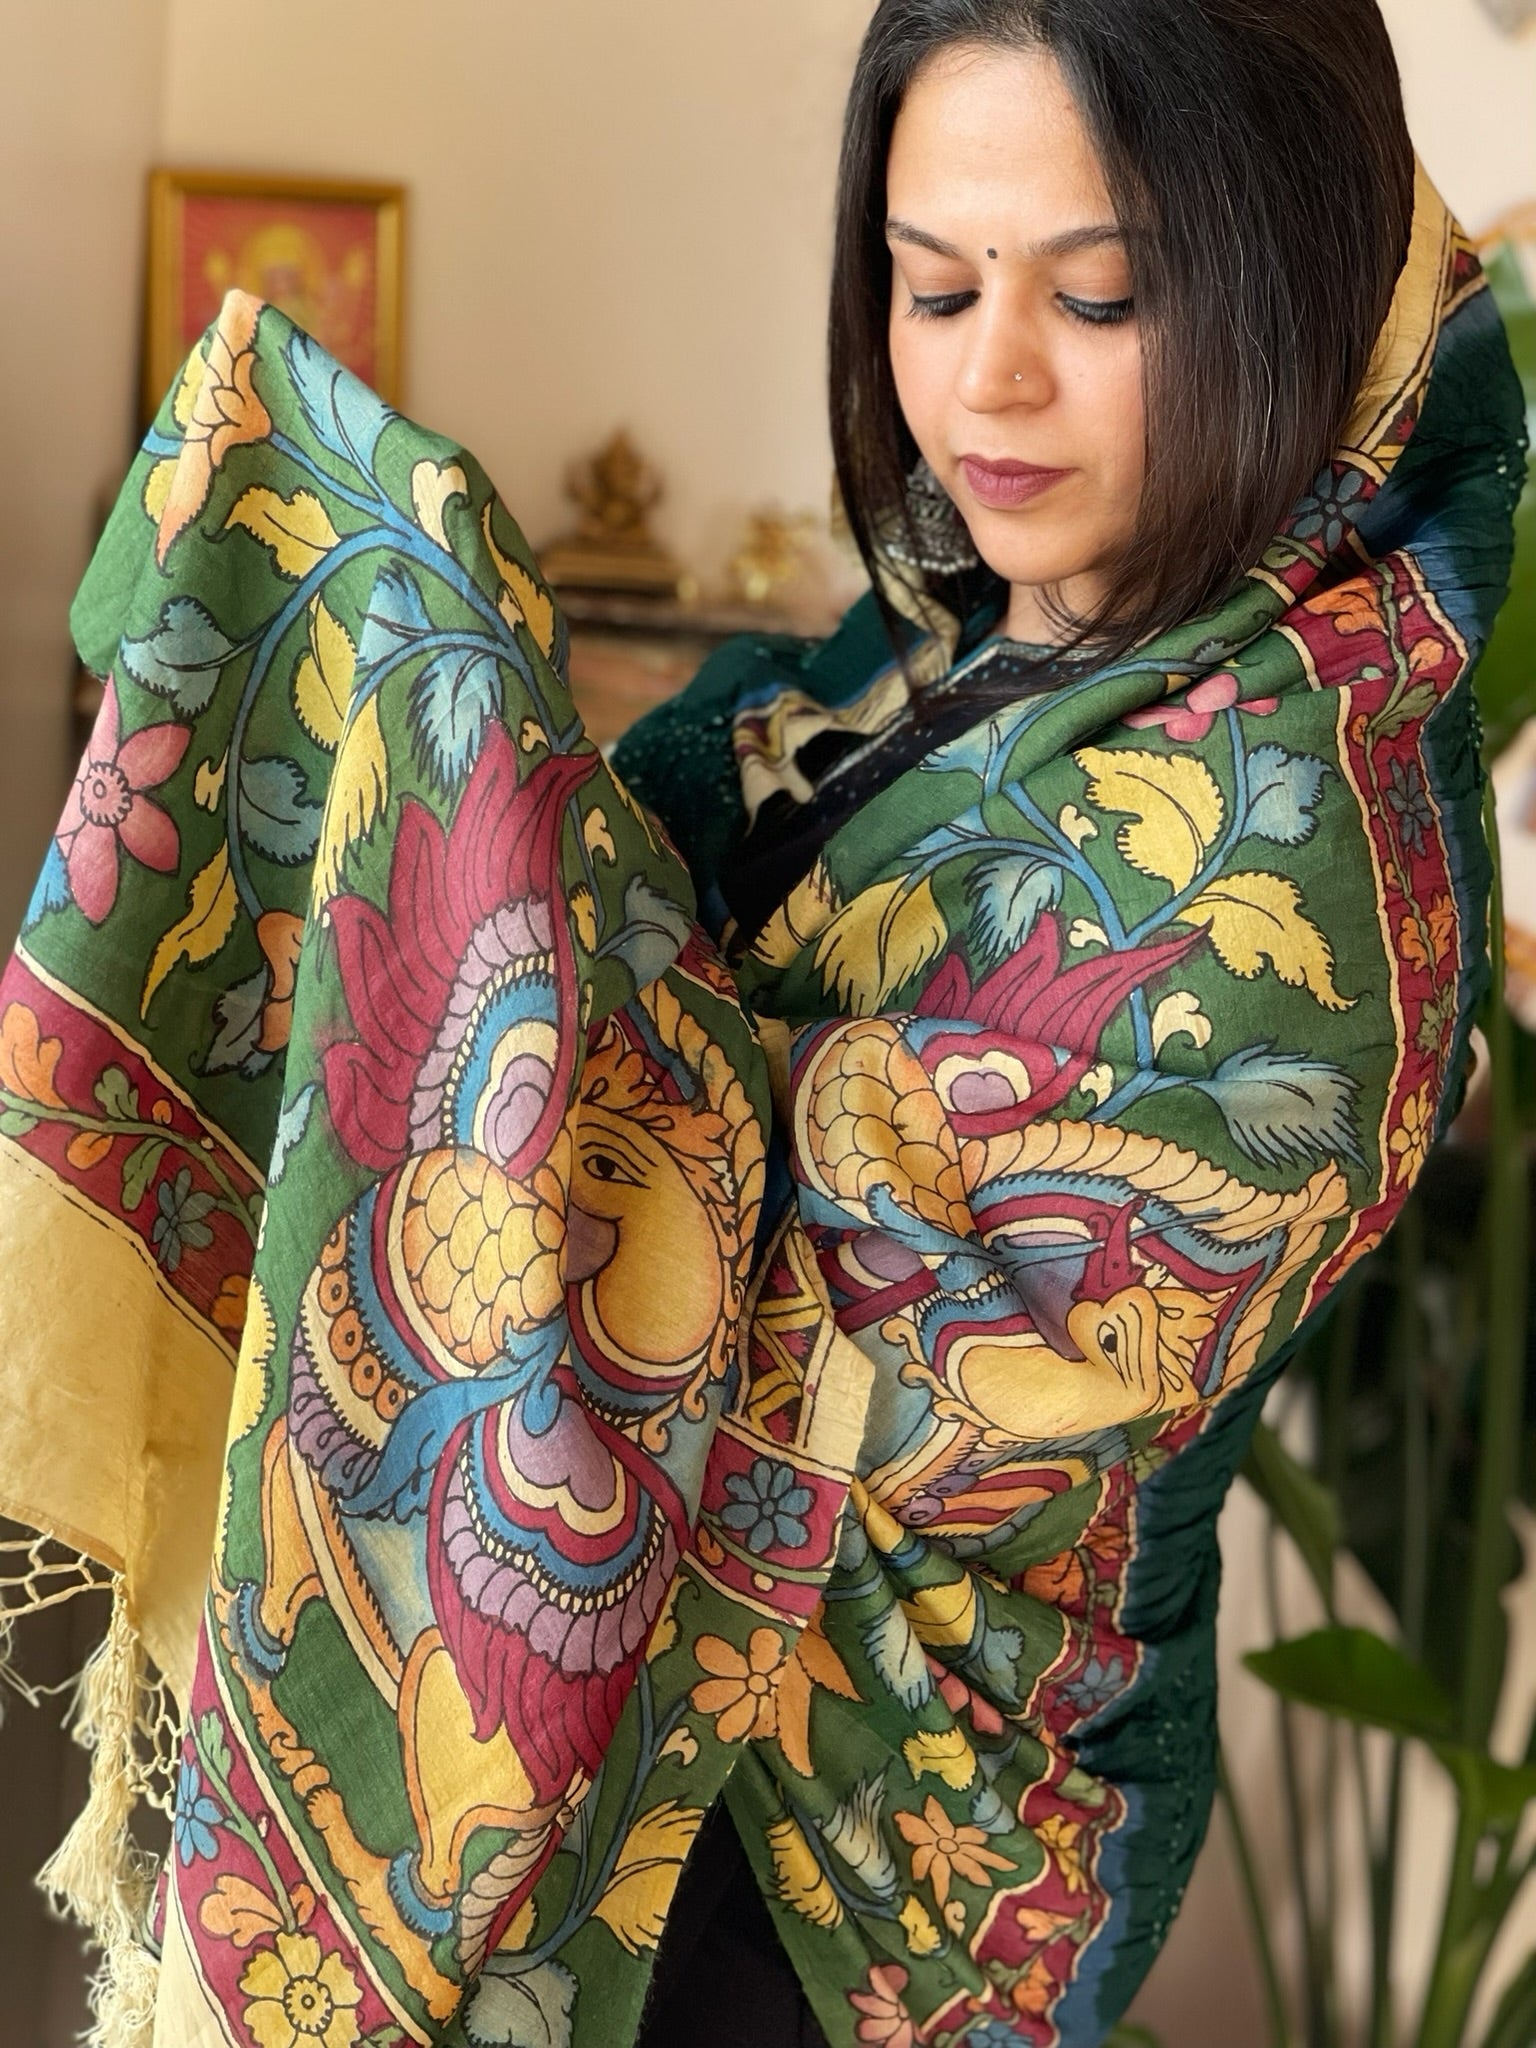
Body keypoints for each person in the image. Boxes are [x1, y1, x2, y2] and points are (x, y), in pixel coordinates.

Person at [0, 4, 1520, 2047]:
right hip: (646, 1658)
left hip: (877, 1835)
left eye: (1102, 293)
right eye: (929, 283)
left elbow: (846, 1316)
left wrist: (450, 692)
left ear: (1291, 273)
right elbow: (666, 903)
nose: (987, 377)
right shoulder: (967, 636)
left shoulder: (1305, 864)